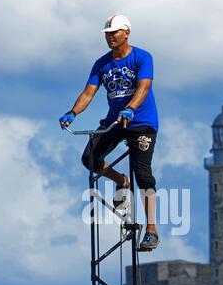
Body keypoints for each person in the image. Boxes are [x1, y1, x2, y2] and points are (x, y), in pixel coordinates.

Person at [59, 15, 159, 250]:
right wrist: (73, 113)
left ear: (127, 33)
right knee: (90, 158)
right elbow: (88, 93)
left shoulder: (142, 57)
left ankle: (152, 230)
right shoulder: (102, 64)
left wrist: (131, 108)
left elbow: (144, 87)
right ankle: (120, 180)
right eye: (107, 33)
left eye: (114, 32)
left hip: (140, 122)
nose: (110, 36)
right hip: (115, 121)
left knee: (143, 175)